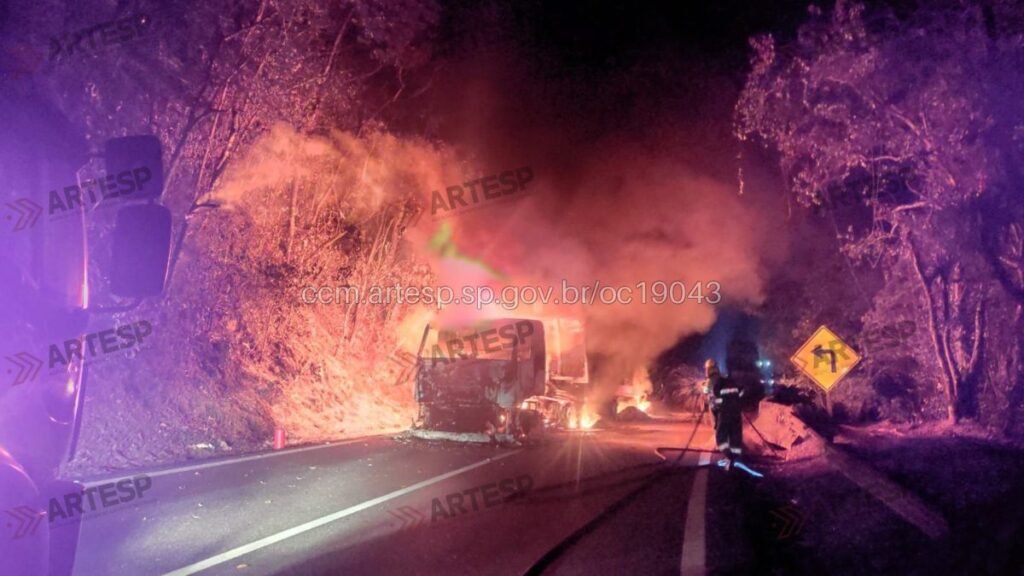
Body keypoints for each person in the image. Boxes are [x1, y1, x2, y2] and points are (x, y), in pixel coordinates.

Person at [703, 358, 744, 470]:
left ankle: (728, 455)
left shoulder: (711, 381)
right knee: (735, 434)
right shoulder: (725, 380)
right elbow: (740, 392)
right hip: (736, 411)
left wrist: (705, 389)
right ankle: (735, 457)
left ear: (708, 369)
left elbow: (707, 392)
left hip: (723, 411)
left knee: (721, 435)